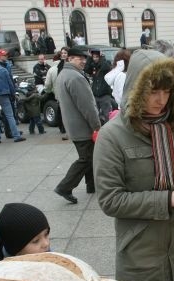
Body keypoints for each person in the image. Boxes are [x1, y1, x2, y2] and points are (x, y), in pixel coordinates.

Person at [93, 50, 174, 281]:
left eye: (167, 92)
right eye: (153, 92)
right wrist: (168, 199)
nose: (161, 100)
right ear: (137, 90)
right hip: (141, 253)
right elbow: (110, 200)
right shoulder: (112, 136)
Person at [53, 48, 100, 204]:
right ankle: (65, 187)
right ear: (70, 59)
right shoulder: (75, 77)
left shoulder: (63, 74)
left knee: (90, 156)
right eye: (80, 58)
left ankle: (91, 185)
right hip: (82, 127)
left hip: (73, 125)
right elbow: (87, 106)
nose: (84, 61)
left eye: (84, 58)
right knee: (86, 158)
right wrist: (97, 125)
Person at [44, 48, 69, 139]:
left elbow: (47, 85)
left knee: (63, 112)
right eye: (62, 53)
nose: (63, 55)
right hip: (61, 93)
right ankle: (65, 129)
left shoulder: (54, 68)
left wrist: (48, 90)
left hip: (63, 93)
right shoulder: (58, 67)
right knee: (64, 112)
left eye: (65, 53)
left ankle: (65, 129)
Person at [84, 49, 113, 125]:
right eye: (94, 57)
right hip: (95, 95)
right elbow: (86, 69)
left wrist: (102, 57)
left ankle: (108, 130)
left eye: (97, 57)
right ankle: (97, 129)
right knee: (95, 114)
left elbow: (105, 67)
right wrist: (89, 58)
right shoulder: (93, 66)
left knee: (107, 115)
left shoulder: (106, 63)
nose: (95, 58)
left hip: (105, 95)